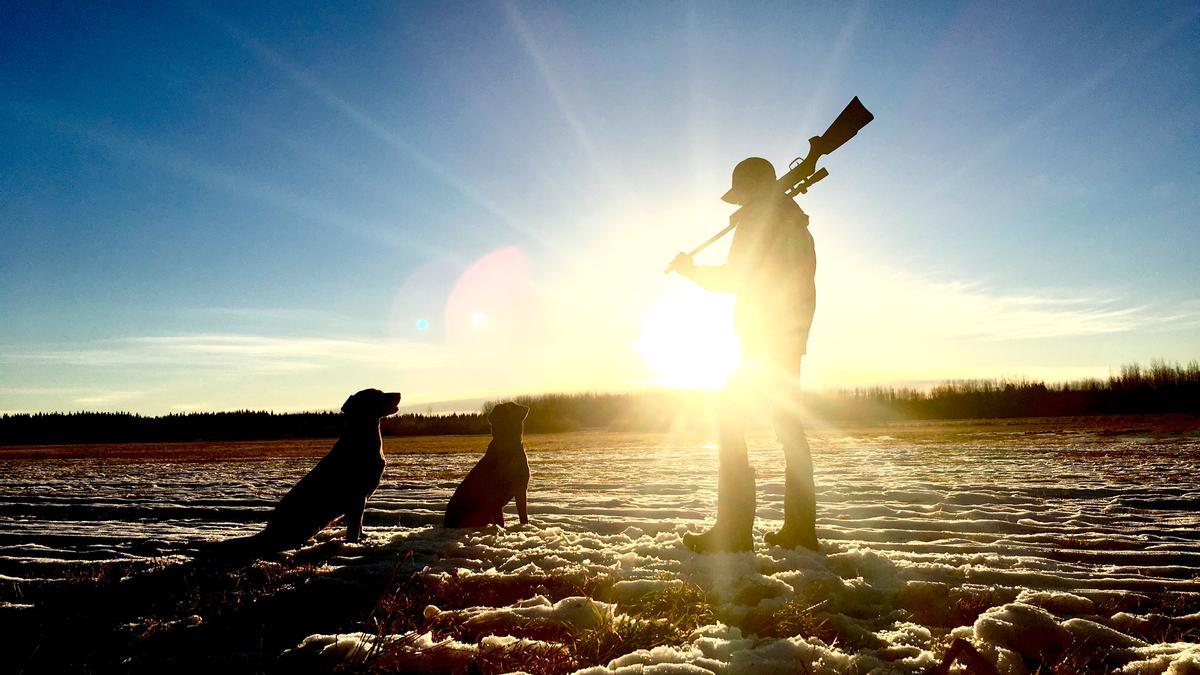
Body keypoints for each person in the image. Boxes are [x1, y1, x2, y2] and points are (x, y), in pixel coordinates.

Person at [670, 156, 818, 552]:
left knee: (730, 421)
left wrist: (692, 270)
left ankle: (733, 532)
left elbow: (738, 277)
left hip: (761, 341)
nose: (737, 205)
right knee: (789, 431)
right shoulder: (790, 221)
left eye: (742, 196)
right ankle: (801, 532)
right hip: (787, 339)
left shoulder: (762, 223)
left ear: (752, 190)